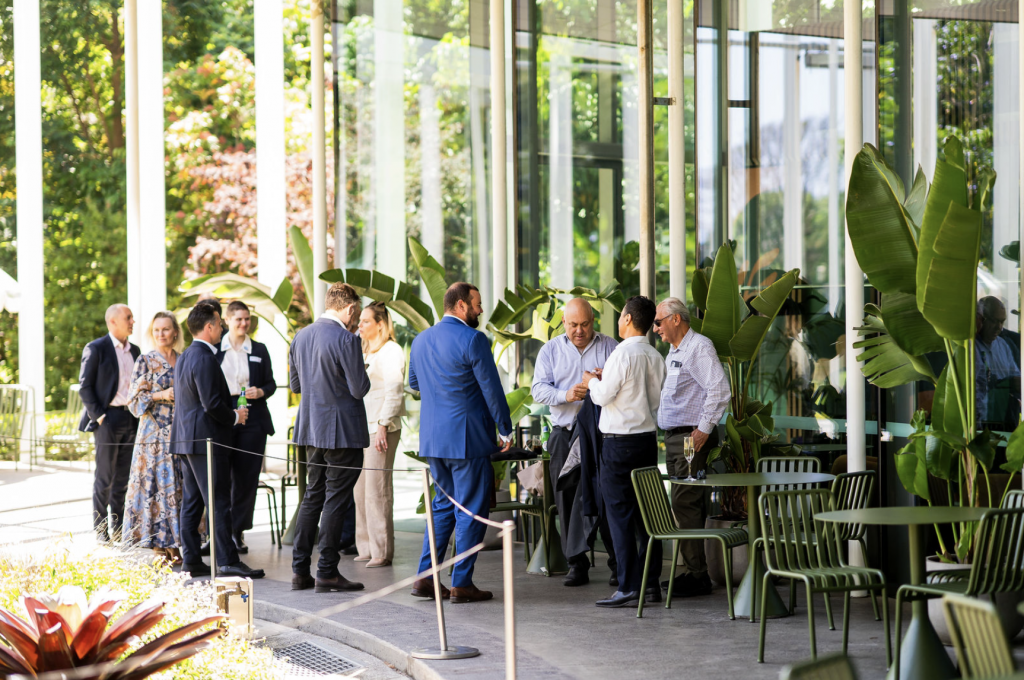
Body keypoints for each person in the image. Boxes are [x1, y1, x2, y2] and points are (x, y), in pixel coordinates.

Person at [409, 282, 513, 604]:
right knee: (471, 510)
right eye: (477, 304)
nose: (481, 310)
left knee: (442, 508)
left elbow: (415, 383)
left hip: (433, 440)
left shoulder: (420, 340)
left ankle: (427, 578)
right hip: (467, 440)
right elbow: (492, 389)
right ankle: (462, 583)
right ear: (461, 306)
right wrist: (506, 430)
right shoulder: (474, 339)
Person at [582, 296, 666, 608]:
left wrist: (592, 381)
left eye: (620, 317)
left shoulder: (622, 353)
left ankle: (629, 585)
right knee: (647, 515)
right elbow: (656, 401)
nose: (618, 322)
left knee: (619, 516)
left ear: (628, 319)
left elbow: (603, 397)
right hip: (646, 441)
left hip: (618, 443)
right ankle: (651, 584)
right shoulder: (654, 356)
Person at [171, 299, 262, 579]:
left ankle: (192, 560)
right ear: (209, 327)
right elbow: (211, 404)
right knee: (219, 499)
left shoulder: (186, 355)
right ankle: (225, 561)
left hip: (188, 439)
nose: (222, 327)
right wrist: (236, 417)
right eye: (220, 323)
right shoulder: (204, 356)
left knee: (193, 501)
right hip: (206, 441)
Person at [531, 297, 618, 587]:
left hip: (602, 433)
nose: (579, 330)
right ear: (563, 323)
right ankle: (576, 563)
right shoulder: (550, 349)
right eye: (573, 325)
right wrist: (566, 395)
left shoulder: (610, 346)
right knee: (566, 497)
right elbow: (538, 390)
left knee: (607, 494)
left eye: (584, 324)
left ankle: (617, 561)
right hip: (564, 433)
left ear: (593, 321)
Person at [290, 282, 370, 593]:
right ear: (350, 309)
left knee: (312, 496)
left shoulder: (301, 336)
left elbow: (296, 386)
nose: (356, 319)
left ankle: (299, 570)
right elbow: (359, 388)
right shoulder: (347, 340)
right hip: (343, 434)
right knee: (336, 501)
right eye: (357, 313)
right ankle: (326, 570)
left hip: (311, 429)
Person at [654, 296, 731, 596]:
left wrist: (702, 430)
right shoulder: (674, 351)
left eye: (659, 321)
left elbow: (719, 390)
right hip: (675, 436)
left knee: (686, 503)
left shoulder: (698, 347)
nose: (656, 328)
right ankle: (692, 570)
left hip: (689, 437)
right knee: (683, 504)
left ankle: (696, 575)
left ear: (676, 319)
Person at [122, 312, 184, 564]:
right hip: (152, 437)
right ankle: (157, 545)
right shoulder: (145, 361)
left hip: (179, 434)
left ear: (175, 332)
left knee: (177, 489)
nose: (161, 334)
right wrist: (161, 395)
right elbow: (133, 402)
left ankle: (176, 543)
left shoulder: (183, 359)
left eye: (166, 329)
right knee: (154, 490)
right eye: (157, 330)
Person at [217, 301, 276, 555]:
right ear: (227, 320)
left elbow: (271, 384)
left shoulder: (260, 349)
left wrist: (260, 391)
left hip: (253, 415)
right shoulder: (215, 350)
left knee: (246, 477)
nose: (243, 324)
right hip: (224, 412)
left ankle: (237, 532)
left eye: (247, 319)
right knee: (221, 476)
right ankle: (217, 532)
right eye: (238, 319)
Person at [79, 304, 141, 542]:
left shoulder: (135, 350)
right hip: (107, 419)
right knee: (104, 477)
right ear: (113, 321)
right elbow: (85, 387)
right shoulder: (96, 348)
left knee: (123, 478)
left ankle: (118, 528)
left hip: (130, 418)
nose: (132, 321)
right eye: (128, 317)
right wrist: (101, 416)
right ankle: (101, 529)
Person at [353, 302, 406, 568]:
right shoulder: (363, 349)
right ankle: (365, 545)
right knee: (360, 489)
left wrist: (384, 424)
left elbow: (395, 391)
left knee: (377, 490)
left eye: (364, 321)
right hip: (362, 429)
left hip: (381, 429)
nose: (359, 325)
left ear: (380, 324)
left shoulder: (391, 350)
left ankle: (381, 551)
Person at [975, 296, 1021, 430]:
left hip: (1004, 421)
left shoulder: (1003, 346)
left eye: (1002, 322)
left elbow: (1016, 379)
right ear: (980, 318)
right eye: (994, 321)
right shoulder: (970, 348)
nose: (999, 328)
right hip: (980, 423)